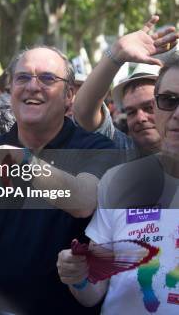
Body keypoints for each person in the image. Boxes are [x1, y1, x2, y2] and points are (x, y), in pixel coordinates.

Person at [0, 47, 117, 314]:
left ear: (69, 96)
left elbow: (84, 200)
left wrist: (19, 159)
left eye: (48, 78)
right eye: (23, 78)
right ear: (11, 90)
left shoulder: (95, 147)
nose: (33, 86)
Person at [57, 56, 179, 314]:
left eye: (147, 106)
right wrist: (78, 277)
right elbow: (94, 289)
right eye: (168, 101)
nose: (142, 118)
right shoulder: (119, 174)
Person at [72, 15, 178, 152]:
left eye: (149, 107)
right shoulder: (125, 152)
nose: (140, 118)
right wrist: (117, 53)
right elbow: (83, 112)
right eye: (131, 112)